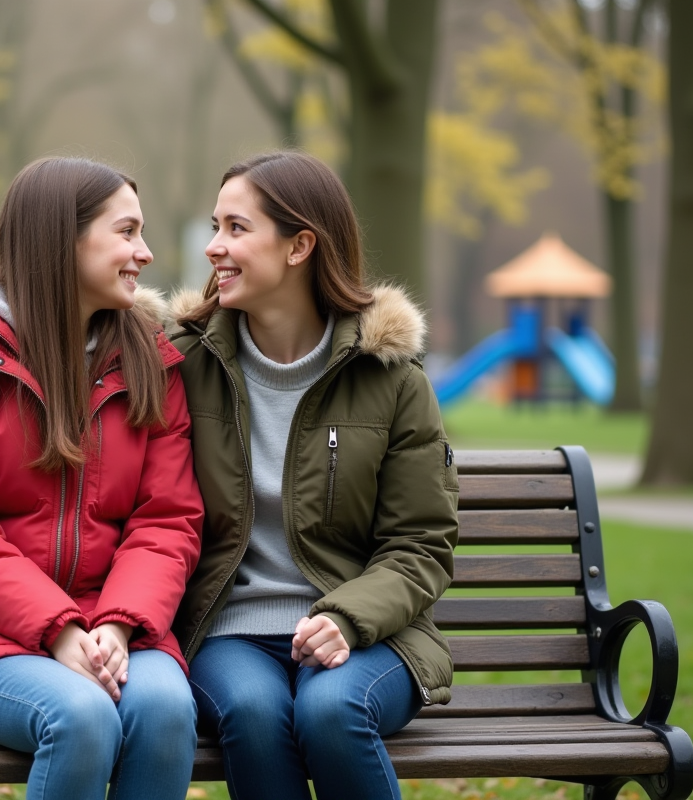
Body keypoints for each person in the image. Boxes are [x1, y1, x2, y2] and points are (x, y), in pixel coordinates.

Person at [0, 157, 204, 800]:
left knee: (166, 710)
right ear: (62, 240)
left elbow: (167, 520)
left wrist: (117, 625)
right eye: (126, 232)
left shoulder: (150, 366)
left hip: (114, 625)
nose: (145, 252)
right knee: (81, 715)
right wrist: (57, 631)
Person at [169, 151, 459, 800]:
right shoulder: (184, 364)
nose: (214, 247)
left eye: (236, 228)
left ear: (300, 246)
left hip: (369, 631)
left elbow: (421, 543)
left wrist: (348, 617)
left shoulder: (391, 378)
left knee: (331, 711)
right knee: (254, 713)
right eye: (215, 227)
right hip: (228, 633)